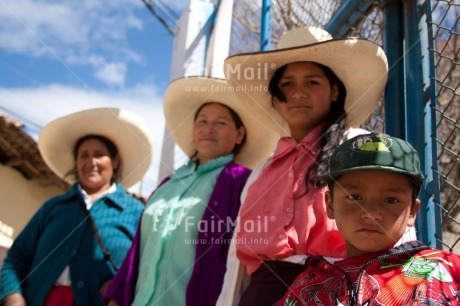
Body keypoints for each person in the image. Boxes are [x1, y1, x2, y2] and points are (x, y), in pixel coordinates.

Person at [217, 27, 405, 305]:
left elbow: (394, 229)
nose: (299, 93)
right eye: (287, 84)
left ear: (334, 91)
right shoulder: (262, 171)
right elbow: (237, 261)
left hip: (338, 290)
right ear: (276, 98)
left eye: (312, 82)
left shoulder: (361, 149)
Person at [103, 77, 278, 306]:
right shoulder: (168, 184)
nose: (208, 129)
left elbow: (253, 257)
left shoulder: (243, 183)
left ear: (239, 134)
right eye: (202, 121)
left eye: (221, 123)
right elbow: (138, 250)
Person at [279, 132, 460, 305]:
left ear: (412, 211)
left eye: (390, 200)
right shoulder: (308, 287)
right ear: (331, 205)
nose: (371, 213)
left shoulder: (445, 269)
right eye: (354, 197)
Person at [0, 108, 154, 306]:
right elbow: (16, 258)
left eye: (99, 154)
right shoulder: (54, 207)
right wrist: (13, 297)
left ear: (115, 161)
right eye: (84, 155)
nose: (91, 162)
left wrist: (121, 287)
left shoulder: (136, 213)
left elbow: (149, 269)